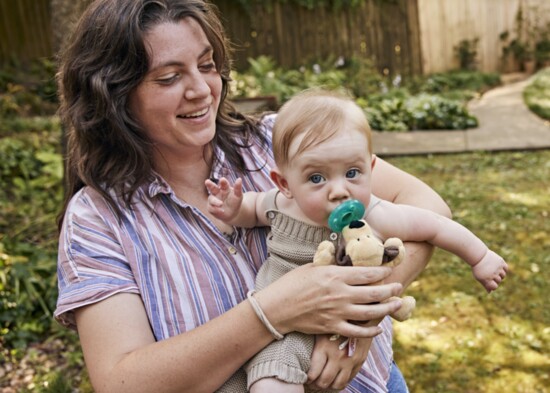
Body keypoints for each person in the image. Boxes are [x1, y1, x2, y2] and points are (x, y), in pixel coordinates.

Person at [53, 1, 453, 392]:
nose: (201, 89)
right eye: (169, 77)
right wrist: (275, 310)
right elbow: (122, 381)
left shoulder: (278, 142)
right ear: (114, 95)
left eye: (207, 65)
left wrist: (357, 317)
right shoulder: (97, 218)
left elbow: (428, 206)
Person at [205, 89, 508, 393]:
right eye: (316, 178)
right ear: (285, 184)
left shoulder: (375, 214)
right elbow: (250, 210)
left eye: (352, 173)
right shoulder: (281, 204)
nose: (339, 191)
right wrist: (232, 209)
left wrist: (480, 257)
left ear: (370, 169)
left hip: (307, 335)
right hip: (276, 319)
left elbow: (435, 226)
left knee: (272, 381)